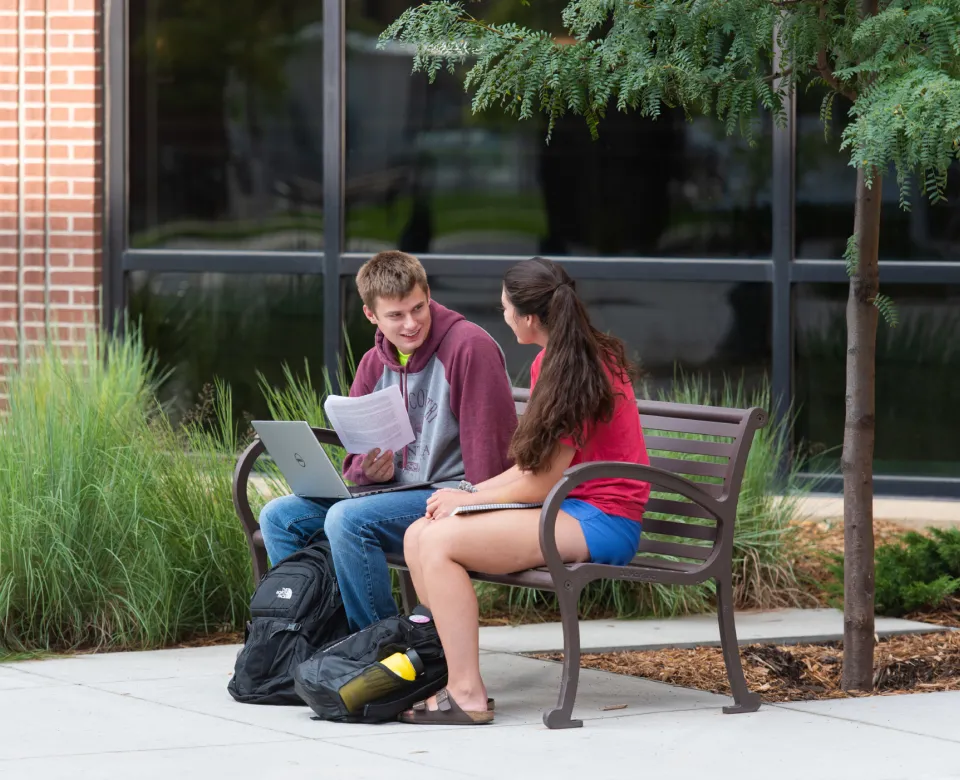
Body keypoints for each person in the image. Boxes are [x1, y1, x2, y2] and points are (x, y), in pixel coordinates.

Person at [399, 257, 650, 725]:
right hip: (569, 505)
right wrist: (467, 494)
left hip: (603, 517)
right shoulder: (551, 362)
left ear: (529, 317)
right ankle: (443, 678)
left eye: (506, 309)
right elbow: (530, 470)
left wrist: (468, 500)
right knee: (420, 532)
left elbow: (541, 482)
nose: (504, 316)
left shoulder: (582, 367)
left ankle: (467, 694)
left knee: (439, 542)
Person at [258, 251, 517, 631]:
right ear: (371, 315)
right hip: (391, 496)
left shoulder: (468, 348)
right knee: (280, 516)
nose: (411, 324)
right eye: (396, 315)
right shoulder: (372, 363)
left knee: (348, 520)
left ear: (428, 294)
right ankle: (310, 638)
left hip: (451, 495)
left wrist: (474, 501)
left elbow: (492, 457)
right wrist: (368, 470)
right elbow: (356, 460)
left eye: (418, 309)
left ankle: (379, 648)